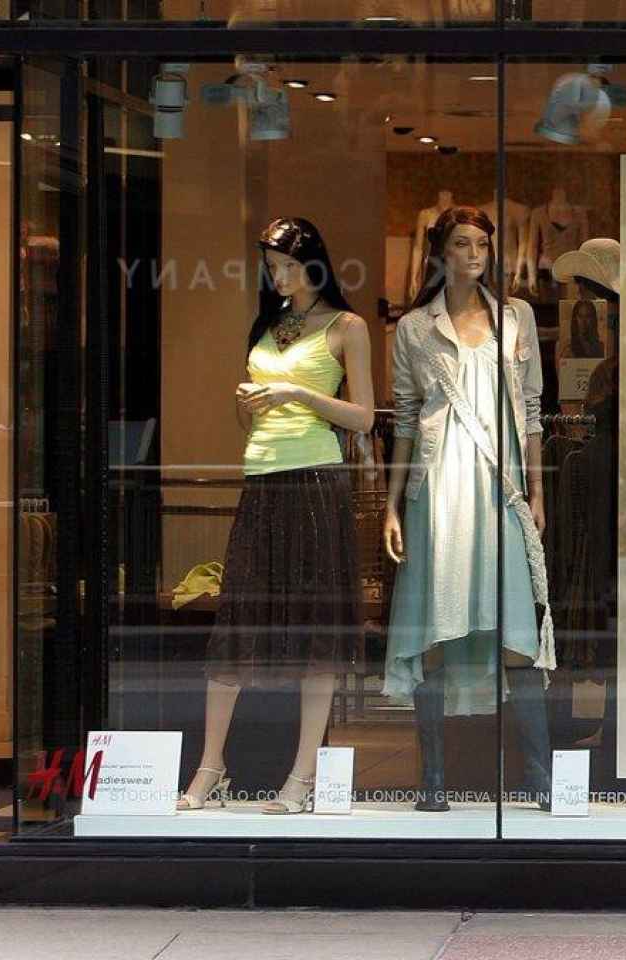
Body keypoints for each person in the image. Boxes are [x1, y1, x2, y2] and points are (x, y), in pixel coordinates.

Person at [178, 217, 375, 816]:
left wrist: (299, 395)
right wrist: (249, 404)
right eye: (271, 268)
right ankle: (211, 765)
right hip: (260, 480)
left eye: (288, 266)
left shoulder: (348, 327)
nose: (280, 277)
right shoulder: (267, 325)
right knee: (237, 619)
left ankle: (302, 773)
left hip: (315, 482)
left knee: (316, 630)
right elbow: (251, 420)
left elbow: (364, 417)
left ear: (314, 263)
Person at [383, 205, 555, 812]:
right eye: (462, 243)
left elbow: (532, 412)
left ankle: (539, 779)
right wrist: (392, 504)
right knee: (434, 627)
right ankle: (432, 781)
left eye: (483, 243)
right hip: (439, 489)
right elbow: (404, 420)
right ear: (441, 253)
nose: (475, 253)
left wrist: (536, 493)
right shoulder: (413, 328)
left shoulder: (517, 318)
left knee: (516, 630)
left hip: (500, 486)